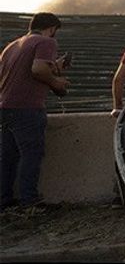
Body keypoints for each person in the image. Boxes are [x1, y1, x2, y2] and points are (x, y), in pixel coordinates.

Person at [0, 12, 69, 212]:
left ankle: (4, 200)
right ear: (52, 28)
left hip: (6, 106)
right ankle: (29, 202)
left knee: (8, 157)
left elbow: (24, 71)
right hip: (27, 108)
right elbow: (38, 70)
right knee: (32, 155)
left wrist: (55, 67)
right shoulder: (46, 41)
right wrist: (57, 84)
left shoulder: (13, 45)